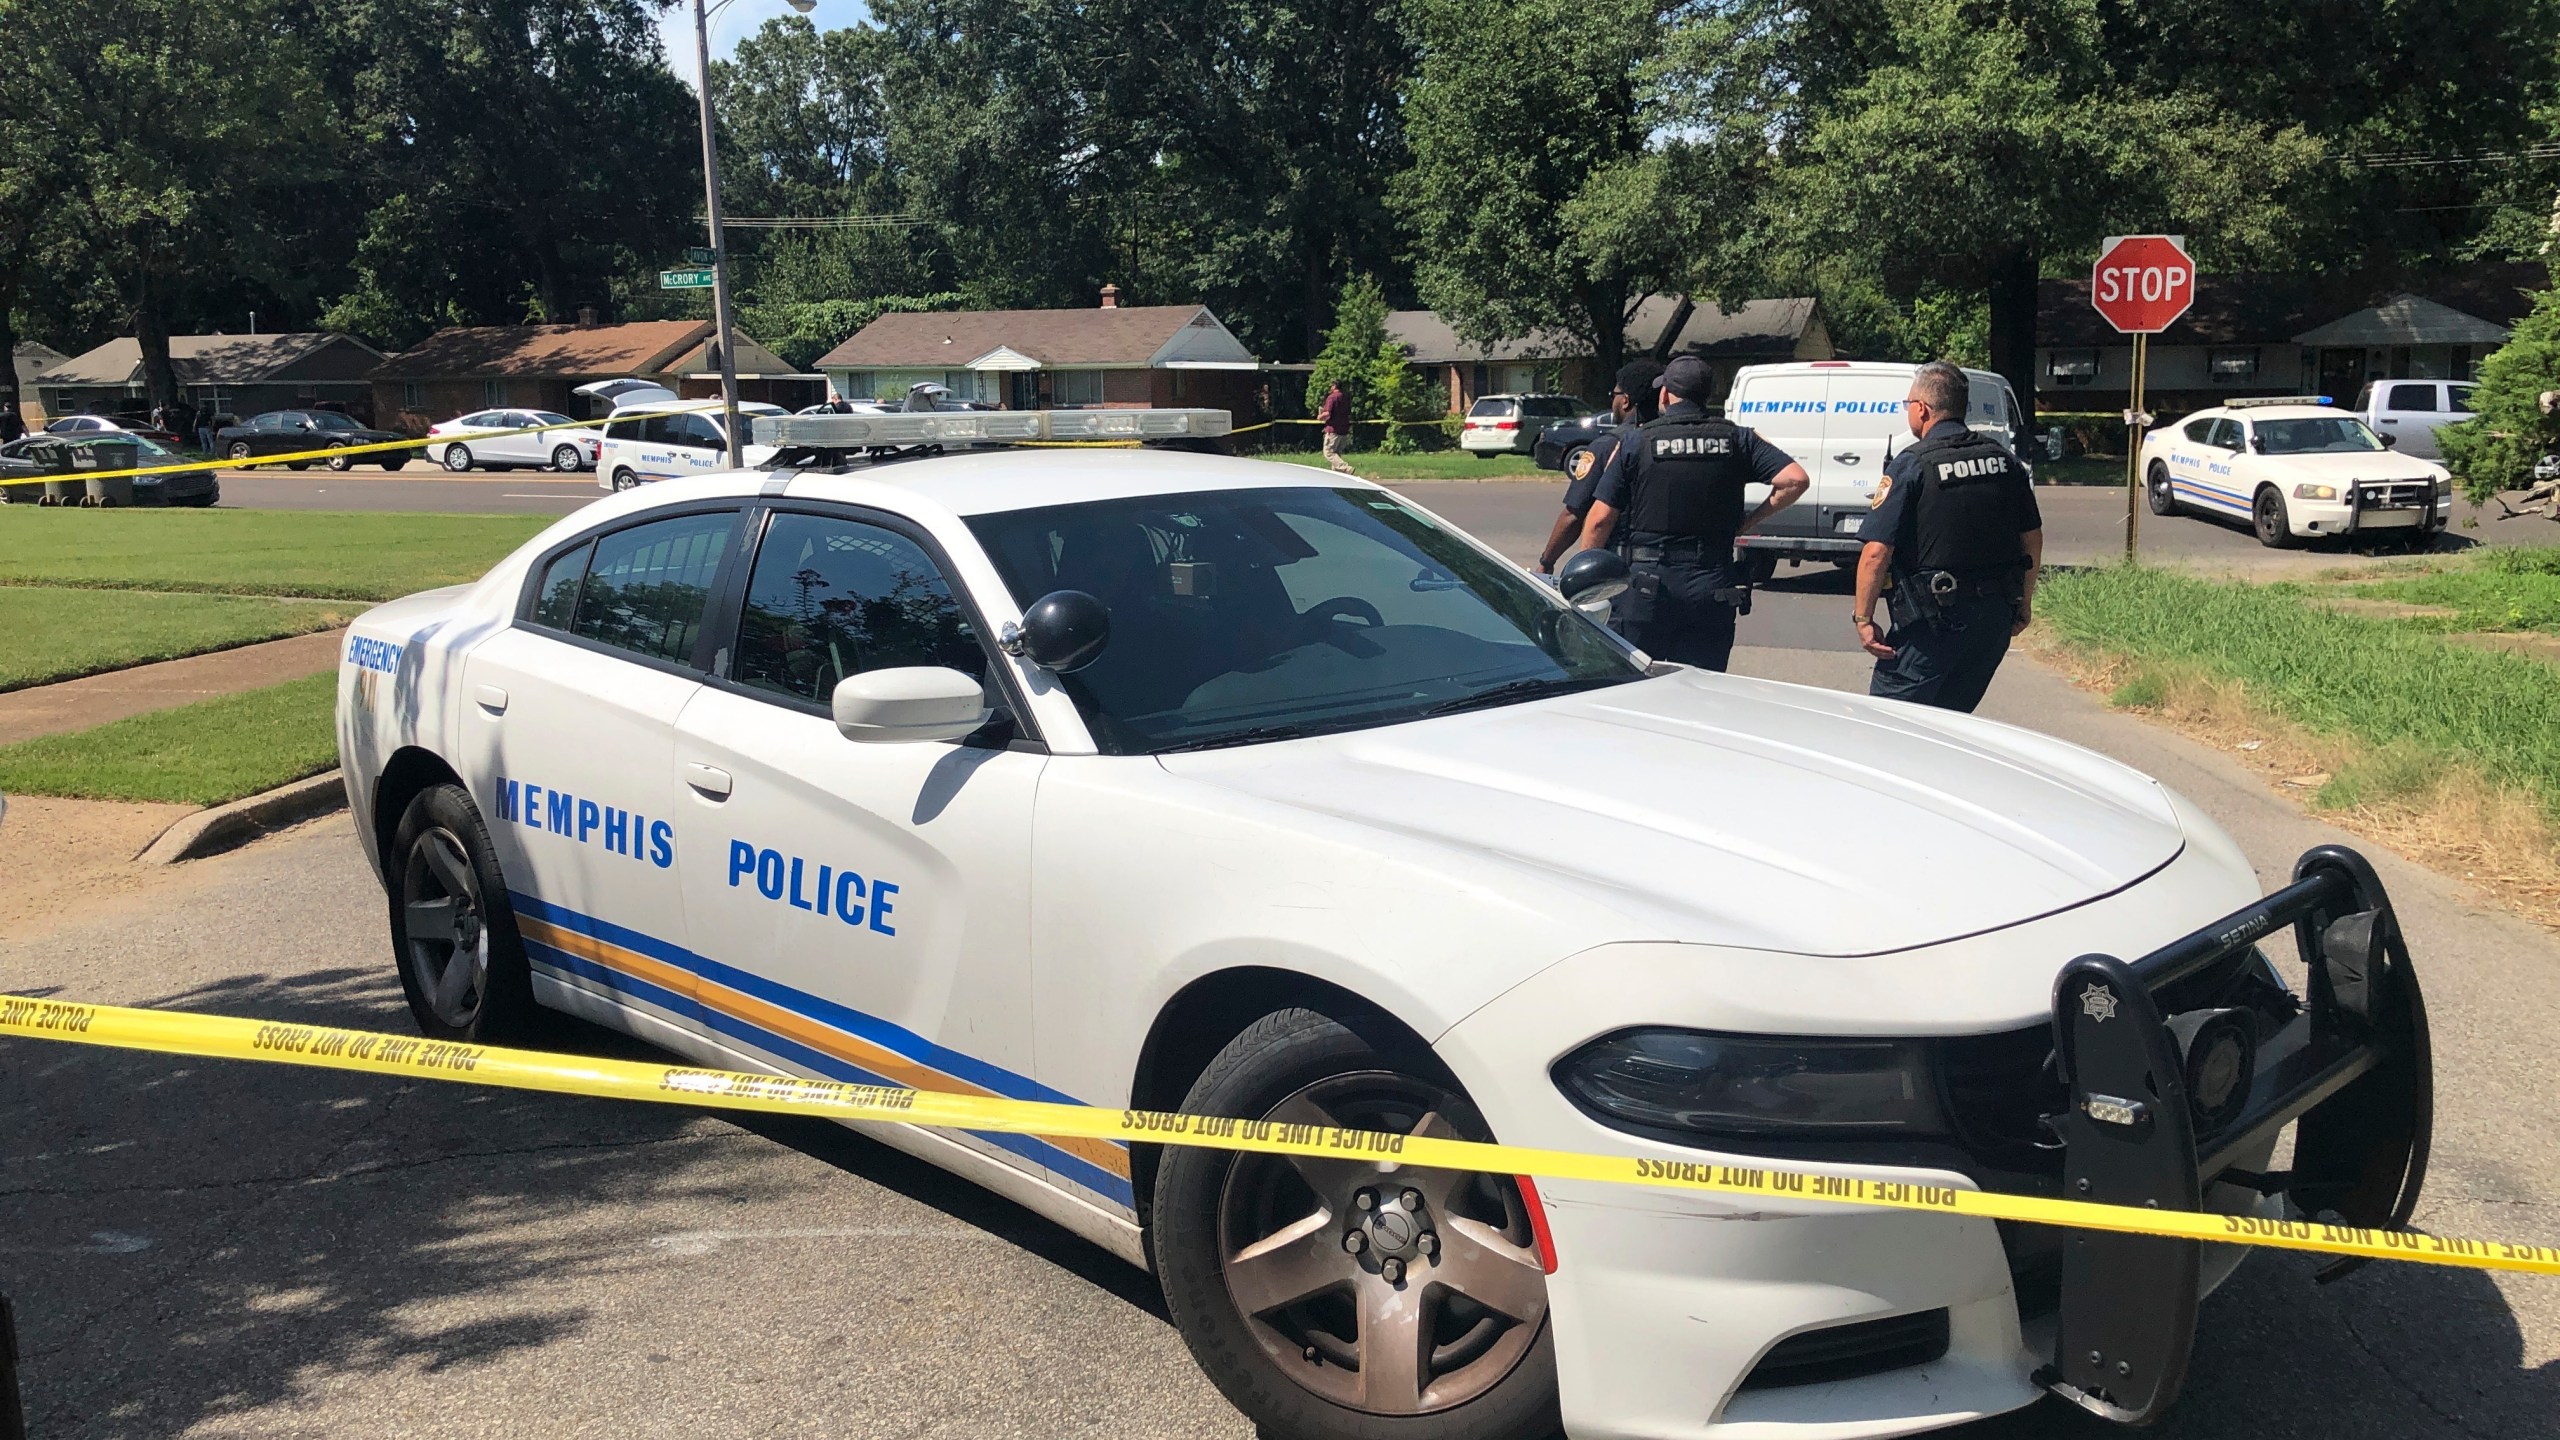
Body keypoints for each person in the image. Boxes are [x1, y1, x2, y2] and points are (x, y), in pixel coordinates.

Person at [1577, 354, 1809, 670]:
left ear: (1665, 395)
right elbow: (1795, 480)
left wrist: (1589, 583)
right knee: (1702, 692)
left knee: (1635, 688)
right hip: (1712, 584)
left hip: (1648, 586)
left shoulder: (1637, 441)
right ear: (1708, 395)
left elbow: (1600, 519)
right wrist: (1747, 522)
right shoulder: (1738, 438)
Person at [1851, 360, 2043, 712]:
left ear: (1922, 409)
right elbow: (2032, 538)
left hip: (1932, 625)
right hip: (1992, 620)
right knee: (1952, 727)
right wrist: (2023, 603)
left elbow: (1876, 552)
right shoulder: (2003, 461)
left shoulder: (1913, 463)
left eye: (1908, 404)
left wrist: (1863, 619)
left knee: (1888, 725)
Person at [1536, 358, 1660, 574]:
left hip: (1622, 567)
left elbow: (1574, 514)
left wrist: (1547, 561)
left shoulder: (1607, 446)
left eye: (1614, 395)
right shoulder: (1674, 442)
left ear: (1625, 401)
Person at [1317, 381, 1354, 474]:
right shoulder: (1345, 397)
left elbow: (1328, 413)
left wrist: (1320, 416)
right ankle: (1337, 475)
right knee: (1336, 453)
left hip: (1333, 429)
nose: (1330, 387)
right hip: (1344, 429)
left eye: (1331, 385)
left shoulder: (1332, 397)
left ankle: (1346, 468)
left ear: (1334, 386)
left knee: (1328, 452)